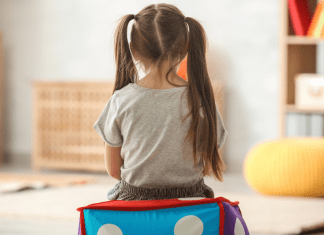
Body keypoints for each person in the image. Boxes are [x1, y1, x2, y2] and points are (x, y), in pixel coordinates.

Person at [93, 3, 228, 201]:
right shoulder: (201, 100)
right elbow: (207, 168)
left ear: (133, 50)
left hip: (135, 201)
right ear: (185, 50)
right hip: (190, 201)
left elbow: (114, 171)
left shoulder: (121, 100)